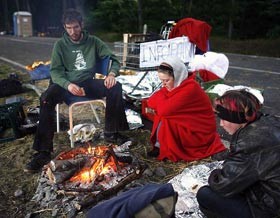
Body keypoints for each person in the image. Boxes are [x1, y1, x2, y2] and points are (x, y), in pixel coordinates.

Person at [24, 9, 129, 173]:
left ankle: (112, 132)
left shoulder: (93, 41)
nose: (72, 31)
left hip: (87, 82)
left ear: (82, 25)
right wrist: (68, 85)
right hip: (65, 85)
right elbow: (56, 72)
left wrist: (111, 74)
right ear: (64, 27)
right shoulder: (60, 45)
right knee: (46, 98)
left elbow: (113, 59)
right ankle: (43, 152)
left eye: (75, 27)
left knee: (115, 87)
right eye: (68, 28)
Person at [196, 89, 280, 218]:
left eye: (224, 119)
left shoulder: (249, 143)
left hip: (270, 207)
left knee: (204, 194)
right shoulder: (269, 121)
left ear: (236, 118)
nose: (221, 124)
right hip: (273, 193)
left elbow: (223, 186)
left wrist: (214, 173)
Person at [146, 56, 226, 162]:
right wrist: (162, 100)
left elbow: (164, 110)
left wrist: (161, 100)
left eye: (166, 80)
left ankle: (167, 150)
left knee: (166, 118)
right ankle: (161, 147)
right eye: (161, 81)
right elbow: (150, 101)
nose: (163, 84)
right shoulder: (176, 85)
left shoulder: (190, 88)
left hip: (199, 134)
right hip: (188, 126)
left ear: (177, 75)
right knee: (164, 116)